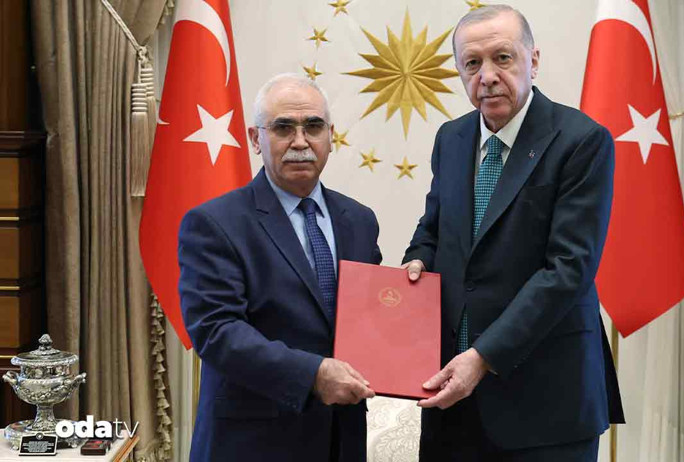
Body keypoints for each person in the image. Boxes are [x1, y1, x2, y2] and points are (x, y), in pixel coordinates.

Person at [402, 5, 625, 461]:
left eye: (502, 58)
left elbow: (568, 270)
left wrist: (482, 357)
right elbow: (434, 227)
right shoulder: (451, 138)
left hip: (545, 403)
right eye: (472, 63)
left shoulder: (582, 140)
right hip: (451, 399)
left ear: (533, 60)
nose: (487, 76)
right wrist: (417, 260)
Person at [179, 74, 381, 462]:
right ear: (256, 139)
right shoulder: (214, 223)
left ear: (331, 137)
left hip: (341, 439)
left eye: (313, 127)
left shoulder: (359, 219)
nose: (300, 142)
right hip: (252, 444)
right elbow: (216, 331)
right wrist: (313, 374)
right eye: (284, 128)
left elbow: (367, 318)